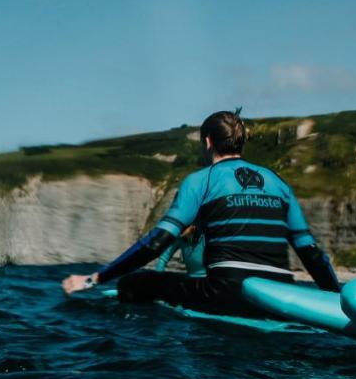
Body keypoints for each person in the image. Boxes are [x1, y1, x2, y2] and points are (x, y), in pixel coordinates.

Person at [62, 110, 339, 315]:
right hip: (280, 293)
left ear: (208, 142)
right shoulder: (278, 182)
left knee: (134, 283)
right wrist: (337, 301)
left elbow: (156, 242)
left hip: (227, 293)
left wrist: (94, 278)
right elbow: (311, 253)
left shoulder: (200, 180)